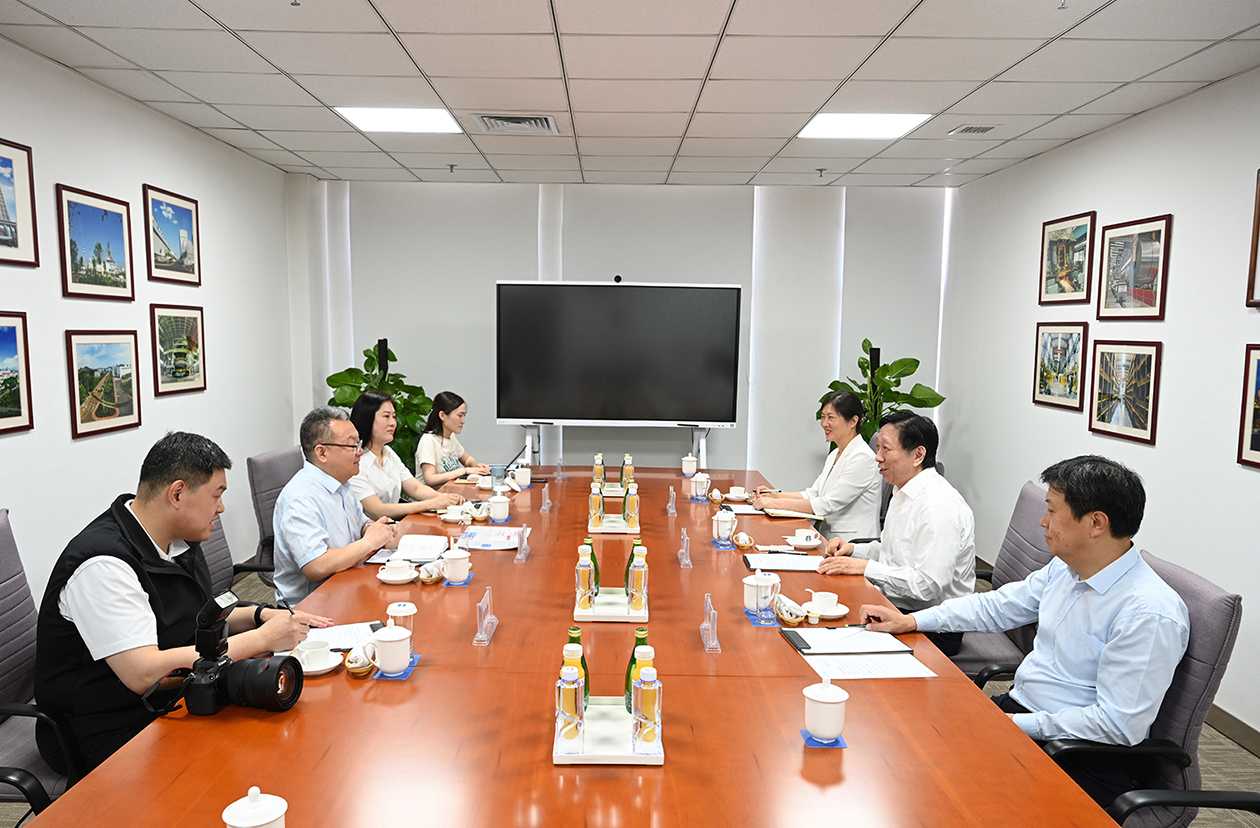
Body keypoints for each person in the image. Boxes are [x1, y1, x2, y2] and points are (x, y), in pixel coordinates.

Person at [859, 455, 1189, 808]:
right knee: (907, 751)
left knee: (943, 795)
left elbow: (1117, 725)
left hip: (1081, 755)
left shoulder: (1148, 612)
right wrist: (912, 621)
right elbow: (997, 606)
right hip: (1025, 716)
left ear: (1096, 523)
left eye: (1052, 511)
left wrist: (1013, 725)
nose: (1043, 522)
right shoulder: (1067, 569)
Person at [34, 432, 332, 773]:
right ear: (177, 493)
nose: (221, 508)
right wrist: (261, 640)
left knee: (288, 739)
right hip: (106, 729)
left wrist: (260, 615)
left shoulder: (176, 540)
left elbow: (201, 615)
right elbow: (143, 672)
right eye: (217, 494)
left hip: (176, 696)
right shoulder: (104, 564)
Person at [818, 411, 975, 654]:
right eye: (877, 448)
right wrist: (853, 550)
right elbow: (894, 551)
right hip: (899, 606)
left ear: (918, 455)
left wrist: (866, 567)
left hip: (933, 626)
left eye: (886, 449)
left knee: (833, 641)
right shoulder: (903, 490)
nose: (877, 457)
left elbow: (927, 586)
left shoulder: (939, 506)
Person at [273, 407, 399, 604]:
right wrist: (369, 542)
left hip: (348, 585)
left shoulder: (342, 483)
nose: (360, 452)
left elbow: (361, 523)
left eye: (358, 443)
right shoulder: (300, 497)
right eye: (352, 445)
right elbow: (316, 565)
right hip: (312, 605)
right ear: (322, 452)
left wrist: (374, 529)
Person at [751, 391, 880, 539]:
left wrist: (772, 504)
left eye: (831, 417)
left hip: (853, 543)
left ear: (853, 421)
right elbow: (813, 494)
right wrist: (774, 495)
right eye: (823, 417)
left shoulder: (863, 458)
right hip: (829, 537)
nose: (824, 423)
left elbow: (827, 504)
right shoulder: (835, 454)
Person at [349, 391, 464, 521]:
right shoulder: (356, 461)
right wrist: (431, 504)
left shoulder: (388, 452)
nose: (393, 423)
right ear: (367, 419)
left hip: (392, 525)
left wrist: (444, 498)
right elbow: (378, 510)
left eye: (394, 416)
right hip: (371, 530)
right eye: (386, 416)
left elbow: (415, 488)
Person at [415, 391, 490, 488]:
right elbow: (430, 479)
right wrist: (464, 471)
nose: (463, 421)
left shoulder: (451, 437)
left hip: (450, 492)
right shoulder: (428, 440)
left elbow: (467, 459)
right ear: (442, 415)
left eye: (464, 416)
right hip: (432, 496)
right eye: (460, 415)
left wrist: (477, 467)